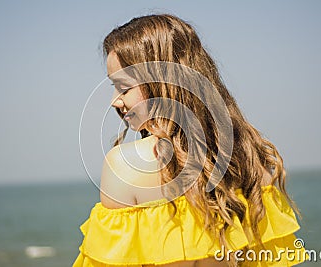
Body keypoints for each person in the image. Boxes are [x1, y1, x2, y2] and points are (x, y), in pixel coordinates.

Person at [74, 14, 306, 267]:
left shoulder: (124, 165)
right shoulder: (249, 158)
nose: (114, 101)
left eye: (123, 87)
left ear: (161, 82)